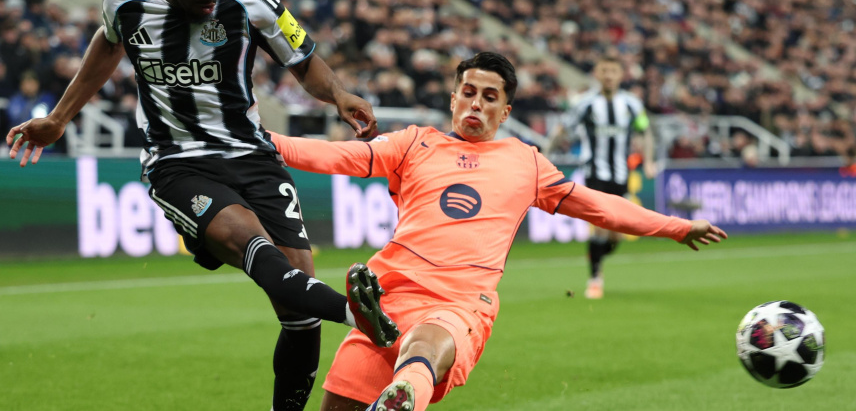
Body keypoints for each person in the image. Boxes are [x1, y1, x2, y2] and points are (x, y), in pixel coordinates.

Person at [5, 0, 399, 410]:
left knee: (300, 311)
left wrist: (338, 93)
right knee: (260, 252)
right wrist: (60, 116)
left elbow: (301, 57)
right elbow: (109, 43)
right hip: (177, 162)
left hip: (253, 156)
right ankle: (362, 316)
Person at [266, 52, 727, 411]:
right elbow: (338, 157)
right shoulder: (414, 143)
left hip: (459, 302)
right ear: (453, 98)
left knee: (425, 344)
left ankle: (404, 392)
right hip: (381, 303)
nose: (476, 103)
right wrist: (264, 143)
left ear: (505, 112)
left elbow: (597, 206)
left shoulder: (525, 161)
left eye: (490, 97)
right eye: (468, 92)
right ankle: (403, 391)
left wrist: (676, 227)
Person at [566, 56, 657, 299]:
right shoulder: (585, 103)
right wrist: (544, 152)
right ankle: (595, 278)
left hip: (621, 174)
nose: (608, 75)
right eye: (604, 70)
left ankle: (595, 255)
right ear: (597, 73)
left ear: (620, 75)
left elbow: (645, 130)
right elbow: (564, 127)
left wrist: (648, 161)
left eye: (613, 71)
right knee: (599, 227)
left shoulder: (632, 104)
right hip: (594, 173)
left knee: (617, 234)